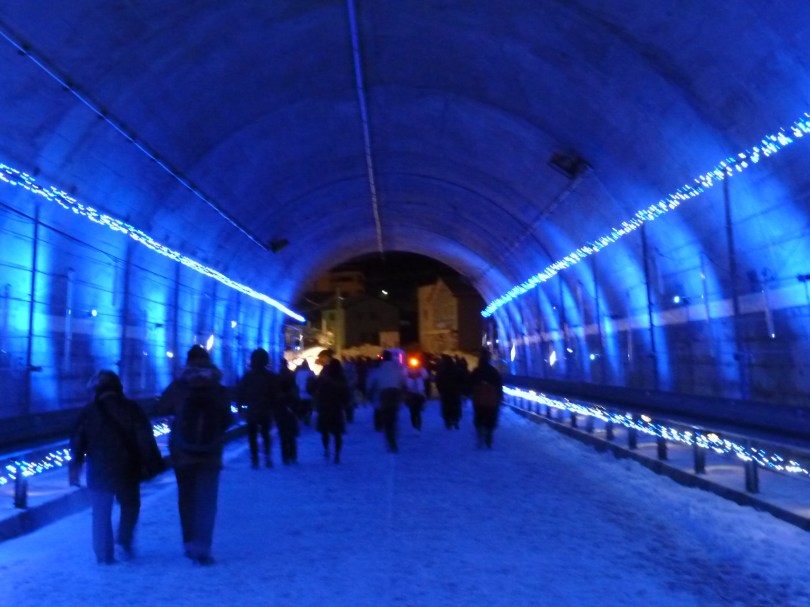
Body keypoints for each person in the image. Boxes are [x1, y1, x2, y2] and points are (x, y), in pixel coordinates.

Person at [69, 370, 162, 564]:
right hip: (127, 469)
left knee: (101, 513)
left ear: (97, 390)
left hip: (98, 470)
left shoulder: (88, 412)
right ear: (119, 388)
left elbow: (78, 440)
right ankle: (124, 540)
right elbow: (145, 439)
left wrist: (76, 464)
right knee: (130, 506)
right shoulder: (132, 409)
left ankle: (104, 555)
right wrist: (152, 462)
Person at [158, 345, 233, 566]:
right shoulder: (218, 387)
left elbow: (160, 408)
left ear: (188, 361)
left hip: (183, 453)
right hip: (211, 454)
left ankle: (189, 543)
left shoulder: (179, 386)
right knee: (207, 500)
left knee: (186, 499)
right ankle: (204, 547)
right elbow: (228, 420)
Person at [236, 348, 279, 469]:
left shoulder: (248, 376)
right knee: (266, 434)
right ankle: (267, 456)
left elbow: (240, 392)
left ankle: (255, 459)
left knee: (252, 436)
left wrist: (240, 407)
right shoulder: (270, 376)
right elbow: (275, 394)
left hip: (252, 410)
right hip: (265, 409)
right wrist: (275, 408)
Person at [366, 350, 406, 453]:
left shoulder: (379, 369)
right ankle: (394, 438)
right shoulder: (397, 368)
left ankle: (390, 440)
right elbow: (403, 381)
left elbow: (373, 383)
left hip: (384, 395)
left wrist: (370, 394)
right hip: (395, 394)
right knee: (394, 417)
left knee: (387, 419)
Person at [315, 358, 350, 463]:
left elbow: (317, 390)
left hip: (324, 407)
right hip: (336, 408)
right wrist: (345, 404)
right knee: (337, 433)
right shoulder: (341, 378)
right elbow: (345, 394)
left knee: (325, 431)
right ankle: (337, 454)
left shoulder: (323, 378)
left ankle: (326, 449)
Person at [468, 348, 504, 449]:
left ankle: (480, 436)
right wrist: (500, 397)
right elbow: (499, 385)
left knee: (479, 418)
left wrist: (470, 393)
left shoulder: (476, 371)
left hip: (478, 400)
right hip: (491, 401)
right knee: (490, 419)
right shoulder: (494, 372)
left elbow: (470, 384)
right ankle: (489, 435)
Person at [276, 357, 300, 464]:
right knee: (291, 434)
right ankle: (293, 455)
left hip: (281, 408)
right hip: (290, 407)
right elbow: (295, 392)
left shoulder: (278, 376)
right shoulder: (291, 375)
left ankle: (285, 456)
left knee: (283, 435)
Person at [435, 354, 464, 429]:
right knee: (455, 406)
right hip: (455, 392)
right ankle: (455, 419)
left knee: (447, 407)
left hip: (446, 392)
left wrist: (440, 390)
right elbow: (461, 380)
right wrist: (460, 389)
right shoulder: (456, 370)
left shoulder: (442, 371)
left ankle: (448, 421)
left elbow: (438, 381)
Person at [404, 360, 428, 431]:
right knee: (412, 411)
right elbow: (403, 376)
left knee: (417, 411)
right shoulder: (407, 370)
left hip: (419, 393)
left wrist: (420, 369)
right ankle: (414, 425)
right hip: (410, 393)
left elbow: (426, 376)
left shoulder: (421, 370)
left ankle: (418, 426)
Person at [294, 360, 316, 425]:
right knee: (309, 405)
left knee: (303, 405)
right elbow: (315, 381)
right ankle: (307, 417)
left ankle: (303, 416)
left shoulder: (298, 373)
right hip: (309, 392)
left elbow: (296, 383)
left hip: (301, 393)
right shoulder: (310, 372)